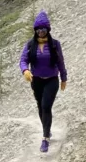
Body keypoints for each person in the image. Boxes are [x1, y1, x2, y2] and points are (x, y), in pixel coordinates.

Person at [19, 10, 68, 153]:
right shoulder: (30, 45)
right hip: (36, 81)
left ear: (48, 30)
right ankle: (47, 129)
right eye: (38, 29)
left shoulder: (55, 44)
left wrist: (63, 78)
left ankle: (45, 138)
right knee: (40, 107)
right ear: (35, 30)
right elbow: (23, 60)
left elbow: (60, 62)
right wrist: (25, 71)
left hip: (52, 80)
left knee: (46, 106)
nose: (41, 31)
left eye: (44, 29)